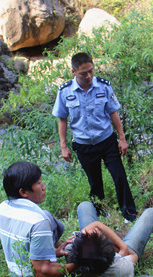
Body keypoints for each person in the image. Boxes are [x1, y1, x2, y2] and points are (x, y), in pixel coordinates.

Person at [52, 52, 137, 222]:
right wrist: (63, 146)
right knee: (95, 182)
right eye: (84, 73)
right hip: (84, 145)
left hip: (106, 140)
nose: (89, 76)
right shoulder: (65, 91)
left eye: (91, 71)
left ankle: (129, 214)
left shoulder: (103, 86)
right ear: (73, 72)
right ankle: (100, 213)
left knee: (119, 176)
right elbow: (62, 118)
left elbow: (113, 112)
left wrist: (122, 138)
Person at [0, 161, 76, 277]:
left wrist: (53, 252)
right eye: (39, 183)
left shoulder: (3, 207)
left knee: (47, 215)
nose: (44, 187)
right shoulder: (38, 222)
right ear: (24, 192)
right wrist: (75, 266)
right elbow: (41, 273)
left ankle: (48, 254)